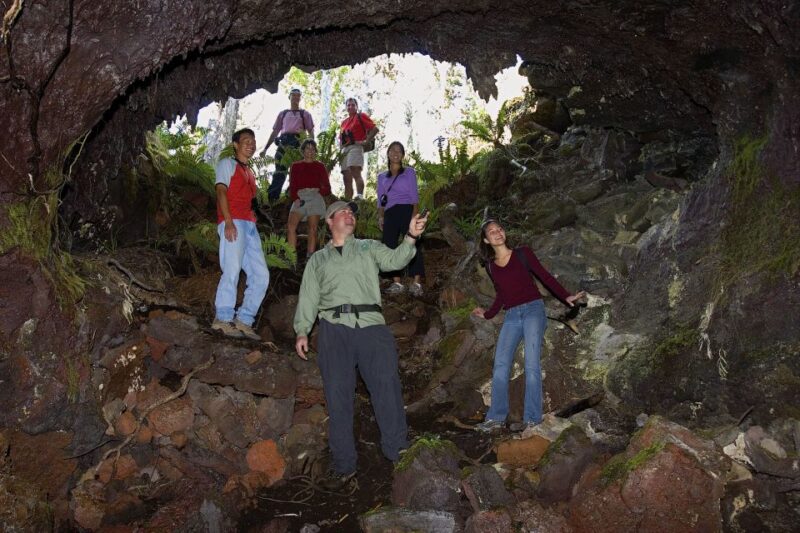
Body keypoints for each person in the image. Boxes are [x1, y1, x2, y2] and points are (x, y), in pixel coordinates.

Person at [294, 200, 428, 483]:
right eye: (343, 211)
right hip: (333, 329)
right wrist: (303, 330)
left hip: (371, 327)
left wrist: (411, 236)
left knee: (386, 386)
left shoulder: (368, 247)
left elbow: (396, 260)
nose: (349, 215)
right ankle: (344, 464)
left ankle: (398, 452)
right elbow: (308, 296)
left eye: (352, 212)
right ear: (329, 221)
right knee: (337, 395)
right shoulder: (318, 260)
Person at [471, 220, 585, 432]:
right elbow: (501, 295)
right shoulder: (491, 266)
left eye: (500, 229)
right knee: (500, 365)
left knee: (532, 364)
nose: (497, 233)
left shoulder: (523, 253)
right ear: (486, 240)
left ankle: (532, 419)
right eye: (491, 232)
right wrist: (488, 314)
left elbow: (544, 275)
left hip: (533, 310)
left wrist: (565, 296)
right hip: (512, 316)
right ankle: (495, 417)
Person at [211, 128, 269, 341]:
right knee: (232, 268)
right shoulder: (228, 164)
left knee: (261, 274)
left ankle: (244, 320)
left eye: (253, 141)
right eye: (246, 141)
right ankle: (223, 319)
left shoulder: (249, 172)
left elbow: (248, 200)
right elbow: (220, 191)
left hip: (249, 225)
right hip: (232, 221)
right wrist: (227, 221)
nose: (251, 144)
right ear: (235, 144)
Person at [377, 141, 425, 296]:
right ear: (388, 154)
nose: (395, 152)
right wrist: (381, 216)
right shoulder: (381, 177)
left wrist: (415, 216)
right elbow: (381, 199)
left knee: (412, 244)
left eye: (399, 150)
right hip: (390, 212)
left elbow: (414, 196)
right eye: (392, 150)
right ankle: (397, 282)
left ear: (403, 155)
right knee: (389, 246)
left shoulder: (409, 172)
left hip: (407, 210)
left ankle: (416, 282)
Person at [262, 88, 315, 201]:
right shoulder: (283, 114)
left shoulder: (305, 114)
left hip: (298, 144)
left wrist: (311, 147)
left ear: (300, 98)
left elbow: (310, 131)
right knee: (280, 170)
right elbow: (275, 131)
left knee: (298, 172)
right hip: (283, 143)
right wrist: (265, 149)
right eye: (293, 95)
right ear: (289, 97)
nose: (296, 97)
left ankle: (292, 197)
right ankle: (272, 199)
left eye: (298, 95)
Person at [287, 139, 331, 256]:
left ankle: (310, 257)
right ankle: (291, 257)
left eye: (312, 149)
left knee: (312, 228)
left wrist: (318, 193)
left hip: (315, 197)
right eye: (307, 148)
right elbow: (293, 185)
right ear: (303, 150)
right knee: (291, 226)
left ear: (315, 151)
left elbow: (327, 186)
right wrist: (295, 198)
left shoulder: (320, 166)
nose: (310, 151)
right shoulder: (296, 166)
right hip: (300, 197)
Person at [339, 97, 378, 200]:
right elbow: (340, 139)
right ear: (346, 107)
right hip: (344, 150)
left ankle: (359, 197)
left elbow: (374, 129)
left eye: (353, 105)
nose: (351, 107)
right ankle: (348, 201)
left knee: (355, 170)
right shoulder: (343, 123)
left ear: (356, 107)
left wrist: (366, 141)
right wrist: (339, 151)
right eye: (348, 105)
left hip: (356, 146)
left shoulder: (361, 116)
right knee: (346, 177)